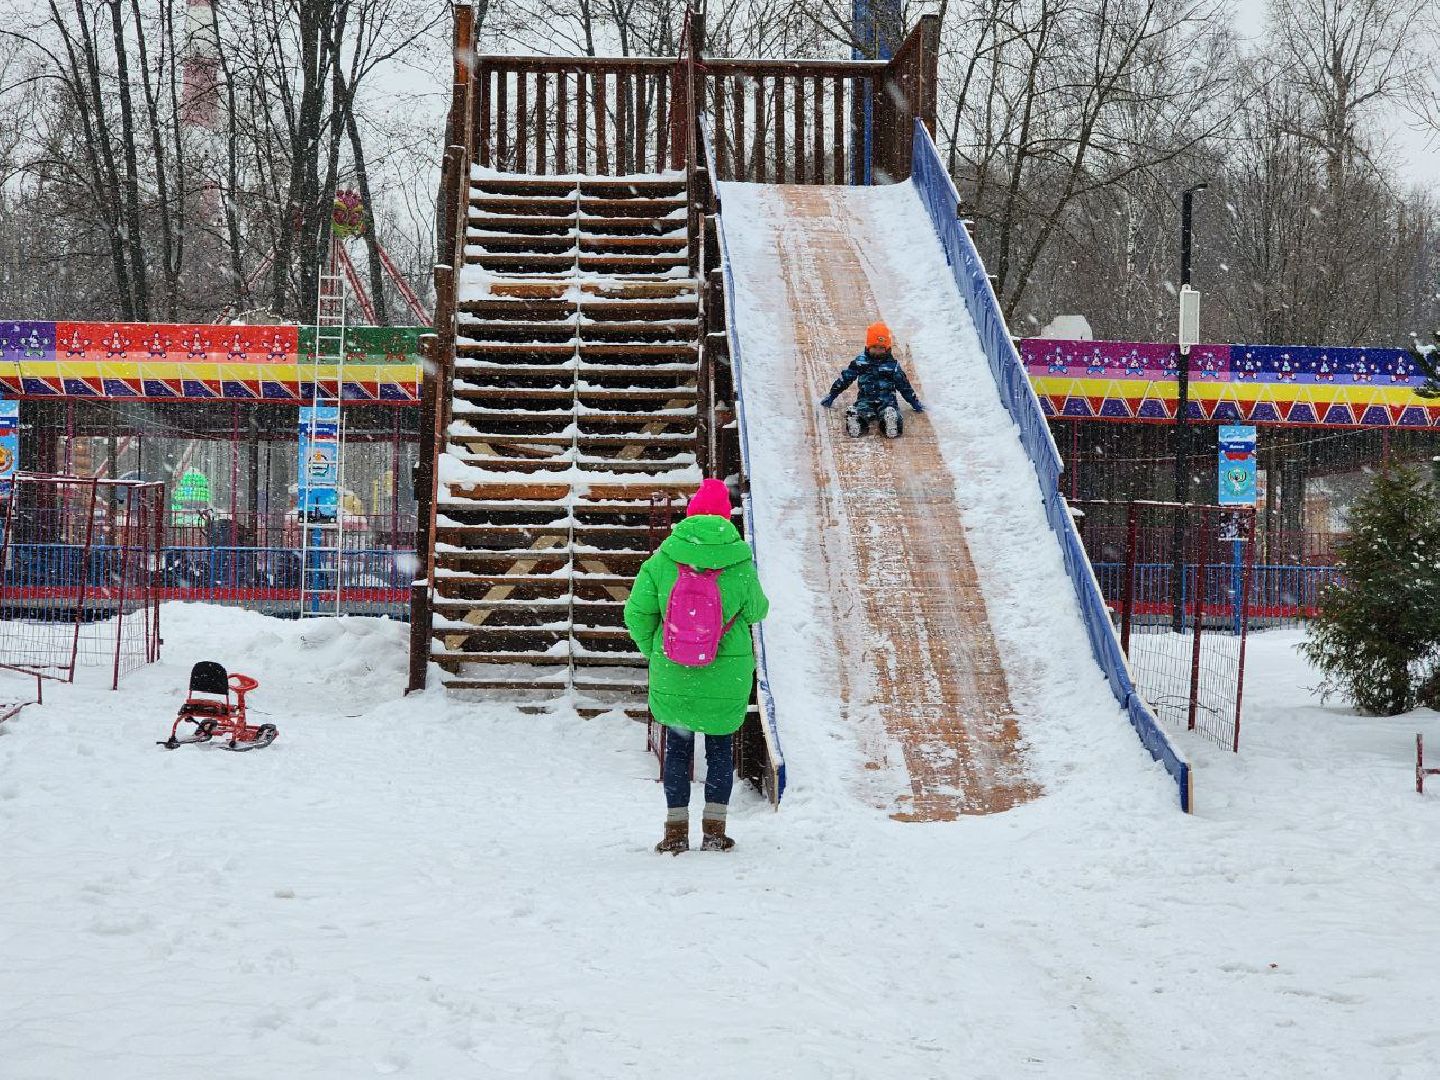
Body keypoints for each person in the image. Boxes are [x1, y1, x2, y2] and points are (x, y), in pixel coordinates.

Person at [623, 478, 770, 854]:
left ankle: (675, 833)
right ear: (727, 516)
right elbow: (757, 610)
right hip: (726, 675)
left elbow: (637, 613)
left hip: (674, 669)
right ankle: (715, 832)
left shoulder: (662, 559)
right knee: (720, 751)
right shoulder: (740, 561)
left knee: (678, 748)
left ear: (689, 515)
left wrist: (654, 650)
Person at [820, 321, 925, 438]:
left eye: (881, 348)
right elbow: (845, 378)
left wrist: (914, 402)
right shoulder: (861, 362)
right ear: (868, 346)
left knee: (890, 410)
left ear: (887, 348)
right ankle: (856, 423)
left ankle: (890, 424)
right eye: (874, 347)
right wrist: (832, 395)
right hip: (865, 398)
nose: (878, 351)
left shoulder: (892, 366)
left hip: (887, 399)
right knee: (862, 410)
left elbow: (904, 386)